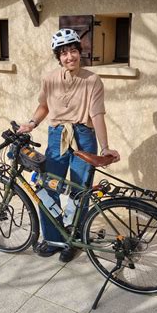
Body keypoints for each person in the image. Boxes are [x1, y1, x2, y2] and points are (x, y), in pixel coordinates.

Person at [18, 28, 120, 262]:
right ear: (58, 57)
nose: (69, 57)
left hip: (84, 136)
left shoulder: (92, 80)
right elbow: (43, 107)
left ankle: (73, 240)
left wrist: (104, 148)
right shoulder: (50, 79)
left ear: (79, 52)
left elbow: (97, 114)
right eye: (63, 53)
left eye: (73, 51)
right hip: (56, 136)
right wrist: (31, 123)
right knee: (47, 186)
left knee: (78, 191)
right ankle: (54, 238)